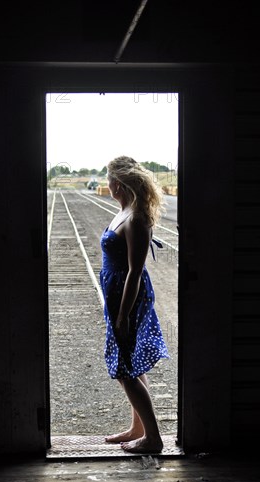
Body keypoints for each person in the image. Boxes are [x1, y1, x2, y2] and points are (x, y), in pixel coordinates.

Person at [99, 156, 169, 454]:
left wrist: (124, 313)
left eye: (109, 180)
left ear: (118, 183)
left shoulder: (137, 218)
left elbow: (135, 272)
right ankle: (138, 428)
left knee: (125, 367)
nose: (107, 185)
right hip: (116, 295)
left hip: (128, 298)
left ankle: (153, 439)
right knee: (131, 363)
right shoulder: (123, 211)